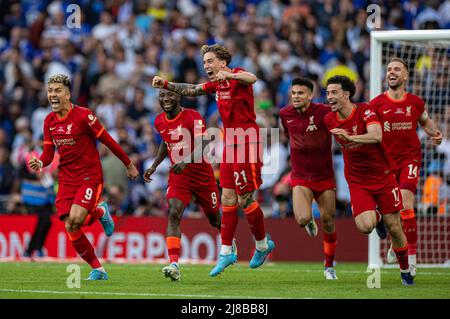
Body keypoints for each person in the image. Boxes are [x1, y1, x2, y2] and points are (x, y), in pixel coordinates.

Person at [152, 44, 275, 276]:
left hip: (247, 142)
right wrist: (166, 84)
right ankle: (227, 252)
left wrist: (229, 74)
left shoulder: (237, 75)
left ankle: (262, 245)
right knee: (227, 197)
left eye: (210, 61)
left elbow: (253, 78)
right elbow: (191, 89)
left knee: (245, 199)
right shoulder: (215, 85)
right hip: (229, 143)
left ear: (222, 62)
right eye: (205, 62)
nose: (206, 65)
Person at [28, 74, 139, 280]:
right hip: (66, 179)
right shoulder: (49, 121)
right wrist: (40, 162)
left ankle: (98, 212)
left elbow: (108, 140)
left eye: (57, 90)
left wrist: (129, 164)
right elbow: (48, 154)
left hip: (89, 175)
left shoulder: (84, 116)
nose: (52, 94)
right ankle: (98, 268)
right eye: (50, 90)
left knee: (78, 217)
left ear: (68, 94)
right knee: (71, 225)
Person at [324, 75, 414, 286]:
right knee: (365, 226)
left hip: (383, 176)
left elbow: (376, 135)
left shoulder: (365, 110)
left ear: (346, 94)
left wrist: (350, 138)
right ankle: (378, 218)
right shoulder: (329, 119)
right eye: (328, 93)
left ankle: (405, 270)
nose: (330, 97)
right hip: (357, 181)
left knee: (395, 227)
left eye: (334, 92)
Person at [371, 57, 443, 276]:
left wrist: (435, 133)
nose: (391, 72)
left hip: (409, 159)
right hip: (385, 163)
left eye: (397, 69)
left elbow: (424, 121)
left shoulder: (415, 102)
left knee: (406, 205)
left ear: (405, 76)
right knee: (391, 211)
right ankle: (395, 242)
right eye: (389, 69)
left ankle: (411, 259)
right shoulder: (376, 104)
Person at [143, 89, 222, 281]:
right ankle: (174, 263)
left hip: (202, 175)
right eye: (162, 96)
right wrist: (154, 165)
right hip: (179, 176)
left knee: (215, 220)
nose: (166, 99)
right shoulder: (159, 121)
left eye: (170, 95)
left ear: (178, 97)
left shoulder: (192, 116)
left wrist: (185, 160)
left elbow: (204, 142)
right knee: (174, 211)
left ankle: (229, 243)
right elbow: (165, 142)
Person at [279, 77, 338, 280]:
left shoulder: (324, 112)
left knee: (329, 221)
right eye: (293, 93)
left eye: (300, 93)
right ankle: (309, 220)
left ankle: (329, 266)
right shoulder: (284, 114)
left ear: (310, 95)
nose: (295, 97)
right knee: (302, 219)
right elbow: (288, 135)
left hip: (324, 176)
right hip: (301, 176)